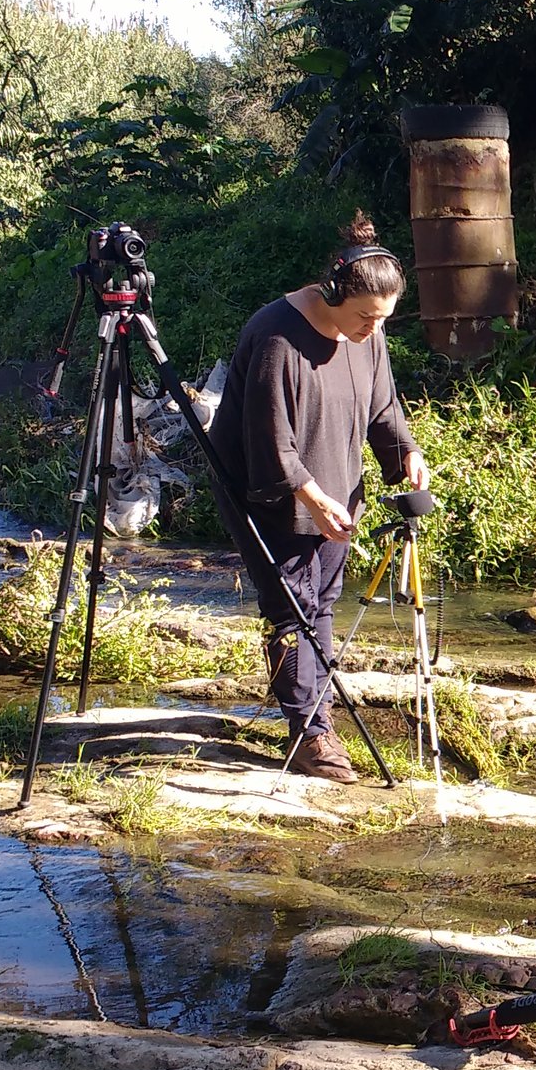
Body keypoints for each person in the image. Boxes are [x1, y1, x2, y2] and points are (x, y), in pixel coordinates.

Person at [209, 213, 428, 784]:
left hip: (334, 484)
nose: (371, 329)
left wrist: (404, 453)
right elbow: (269, 440)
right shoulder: (277, 337)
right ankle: (309, 735)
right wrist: (309, 497)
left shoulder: (368, 335)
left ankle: (315, 717)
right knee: (292, 608)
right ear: (333, 293)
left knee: (321, 604)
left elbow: (383, 408)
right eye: (364, 317)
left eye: (383, 319)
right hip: (269, 491)